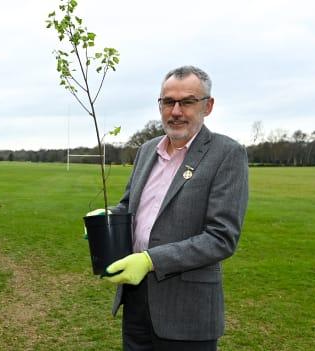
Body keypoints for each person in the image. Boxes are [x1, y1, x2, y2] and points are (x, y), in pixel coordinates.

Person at [104, 65, 249, 350]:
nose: (176, 111)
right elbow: (129, 206)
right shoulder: (148, 150)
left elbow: (221, 238)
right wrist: (109, 217)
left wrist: (150, 260)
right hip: (135, 299)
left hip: (187, 312)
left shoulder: (227, 154)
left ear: (208, 106)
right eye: (168, 102)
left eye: (188, 102)